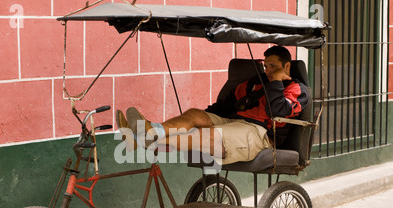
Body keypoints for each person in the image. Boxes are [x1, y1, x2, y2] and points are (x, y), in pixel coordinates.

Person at [116, 46, 309, 165]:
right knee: (194, 115)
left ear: (287, 66)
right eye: (266, 66)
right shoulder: (255, 83)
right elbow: (224, 106)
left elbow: (276, 111)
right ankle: (151, 131)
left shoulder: (298, 90)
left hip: (261, 134)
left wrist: (276, 82)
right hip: (234, 122)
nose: (267, 71)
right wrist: (202, 118)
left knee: (204, 136)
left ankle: (143, 138)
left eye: (273, 66)